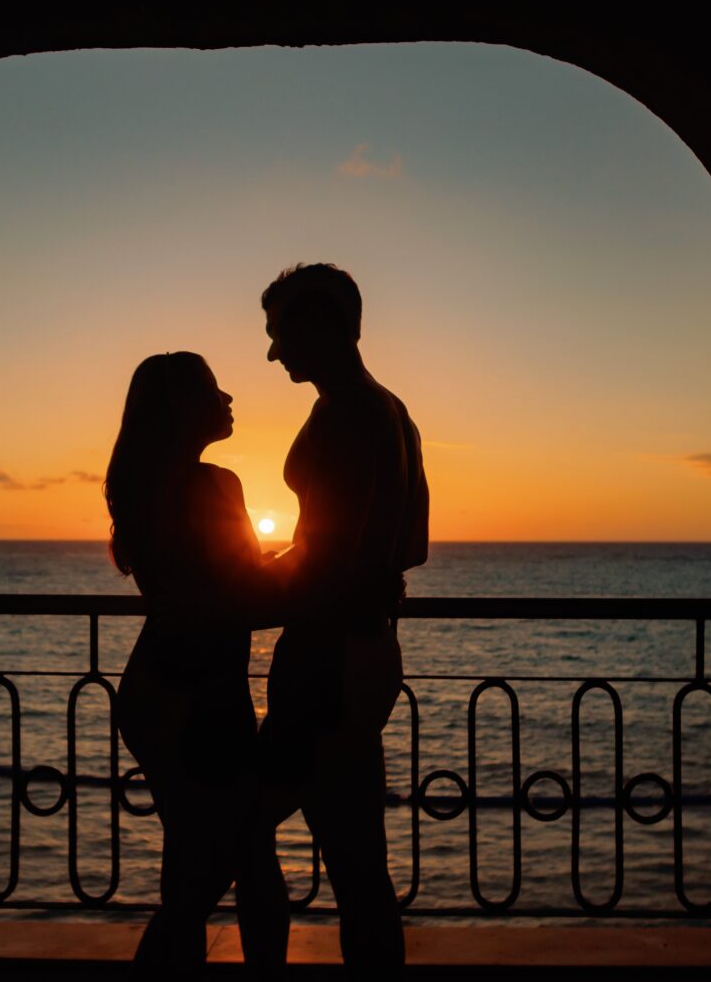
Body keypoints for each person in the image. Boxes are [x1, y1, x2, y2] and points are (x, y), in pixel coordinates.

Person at [256, 263, 429, 970]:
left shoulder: (352, 411)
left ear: (322, 324)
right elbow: (405, 546)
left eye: (280, 333)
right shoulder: (386, 408)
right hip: (360, 650)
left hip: (329, 657)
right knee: (359, 858)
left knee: (234, 830)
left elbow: (341, 558)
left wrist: (242, 592)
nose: (273, 353)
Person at [107, 351, 292, 977]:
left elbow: (209, 591)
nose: (229, 397)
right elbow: (249, 595)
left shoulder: (139, 488)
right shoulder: (214, 484)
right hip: (202, 695)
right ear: (183, 408)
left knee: (194, 860)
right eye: (214, 388)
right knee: (232, 864)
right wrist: (324, 564)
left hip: (157, 687)